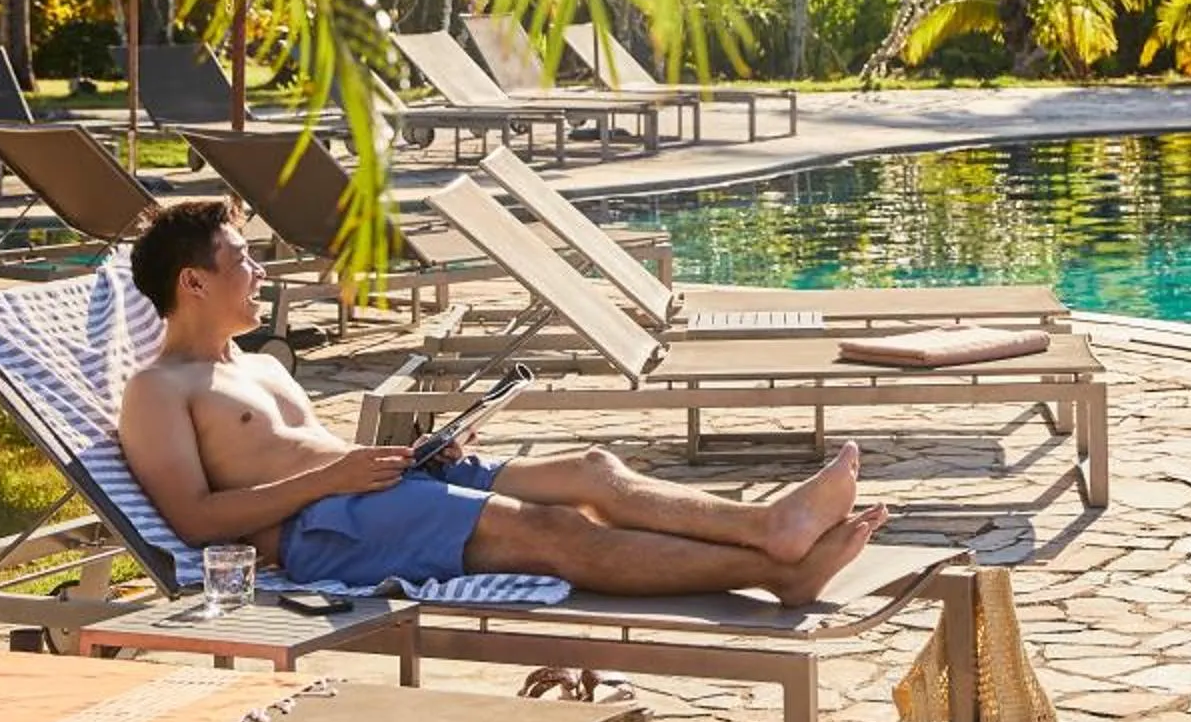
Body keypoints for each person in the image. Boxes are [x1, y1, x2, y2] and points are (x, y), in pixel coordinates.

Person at [116, 197, 887, 602]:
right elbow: (193, 520)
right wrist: (333, 478)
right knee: (552, 531)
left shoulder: (258, 365)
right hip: (322, 531)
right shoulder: (158, 390)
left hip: (371, 490)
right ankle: (770, 572)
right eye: (244, 260)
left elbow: (309, 452)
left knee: (593, 470)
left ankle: (768, 527)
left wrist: (420, 454)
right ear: (193, 282)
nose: (260, 275)